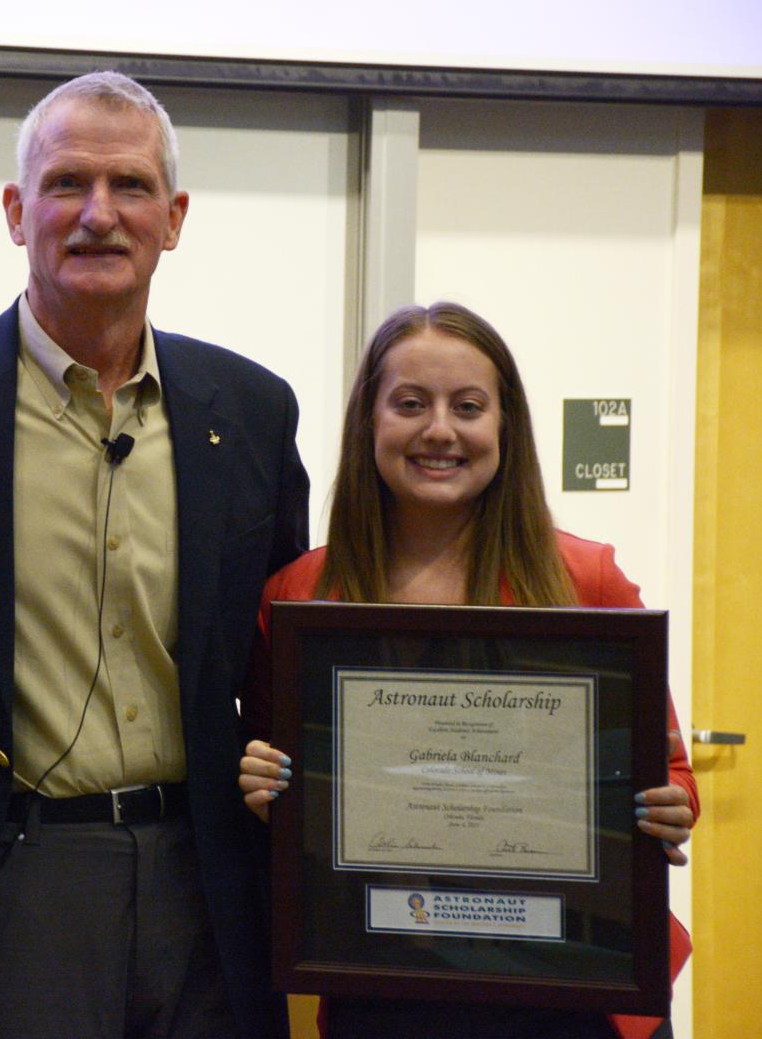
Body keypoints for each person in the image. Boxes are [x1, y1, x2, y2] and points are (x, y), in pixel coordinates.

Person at [0, 70, 309, 1039]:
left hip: (206, 884)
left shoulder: (247, 408)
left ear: (175, 216)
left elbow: (283, 645)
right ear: (15, 209)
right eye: (67, 182)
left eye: (130, 187)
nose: (98, 215)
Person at [238, 302, 697, 1039]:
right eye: (410, 404)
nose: (440, 430)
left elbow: (671, 769)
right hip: (382, 986)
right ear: (370, 424)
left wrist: (671, 802)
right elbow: (274, 777)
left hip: (577, 989)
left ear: (504, 427)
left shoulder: (586, 579)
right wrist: (266, 790)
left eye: (469, 407)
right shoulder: (303, 595)